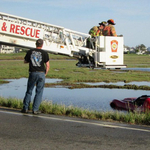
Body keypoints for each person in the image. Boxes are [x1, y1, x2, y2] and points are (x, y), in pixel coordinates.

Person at [21, 39, 50, 114]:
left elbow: (25, 61)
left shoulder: (30, 51)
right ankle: (35, 110)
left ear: (35, 44)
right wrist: (45, 74)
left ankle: (25, 108)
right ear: (42, 45)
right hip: (41, 73)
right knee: (39, 92)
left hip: (32, 73)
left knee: (29, 91)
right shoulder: (44, 53)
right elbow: (47, 65)